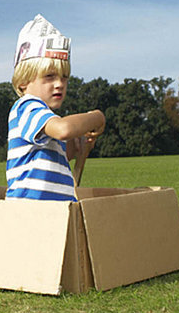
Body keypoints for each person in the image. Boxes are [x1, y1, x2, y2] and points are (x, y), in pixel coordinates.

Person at [6, 14, 105, 201]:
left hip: (52, 213)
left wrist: (77, 148)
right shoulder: (26, 107)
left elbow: (53, 158)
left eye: (64, 77)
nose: (59, 84)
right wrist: (97, 117)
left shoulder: (45, 118)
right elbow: (64, 129)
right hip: (30, 213)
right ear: (24, 83)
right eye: (50, 76)